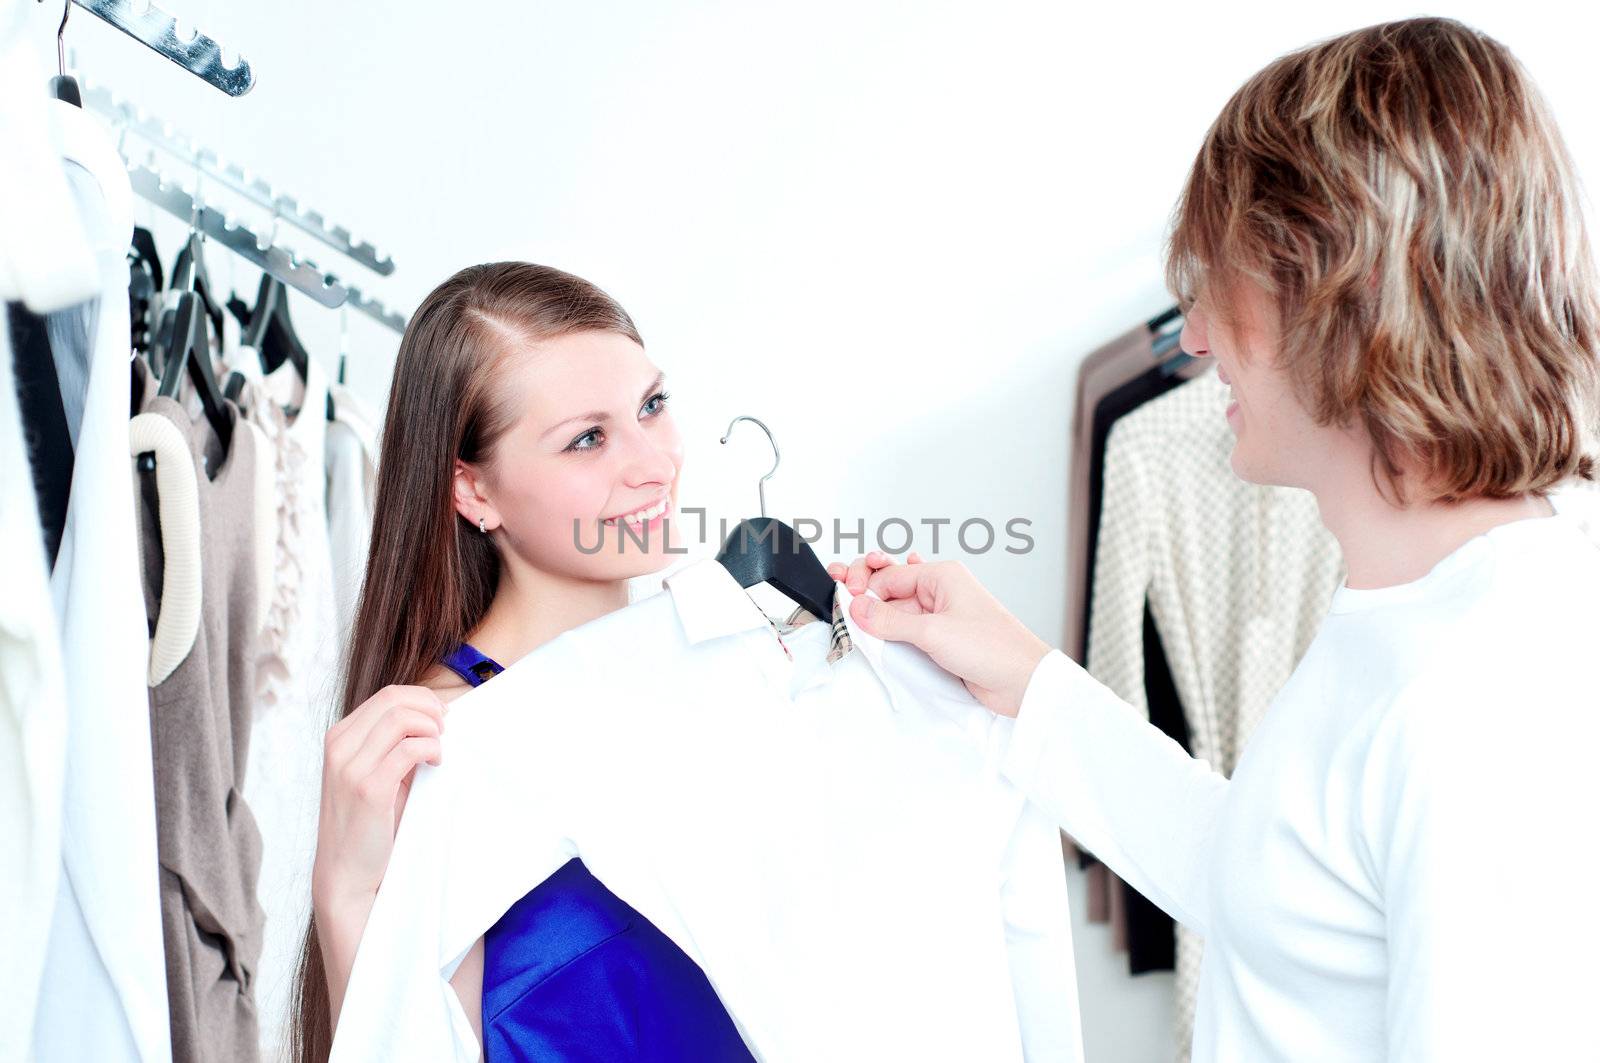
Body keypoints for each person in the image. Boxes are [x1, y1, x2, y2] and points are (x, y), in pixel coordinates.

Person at [831, 17, 1600, 1061]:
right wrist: (1019, 672)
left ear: (1340, 294)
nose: (1189, 339)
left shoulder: (1472, 700)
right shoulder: (1411, 616)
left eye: (1220, 286)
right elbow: (1273, 885)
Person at [291, 262, 753, 1061]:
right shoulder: (442, 747)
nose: (652, 463)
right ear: (473, 491)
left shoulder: (723, 676)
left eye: (651, 405)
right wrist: (346, 893)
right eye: (588, 438)